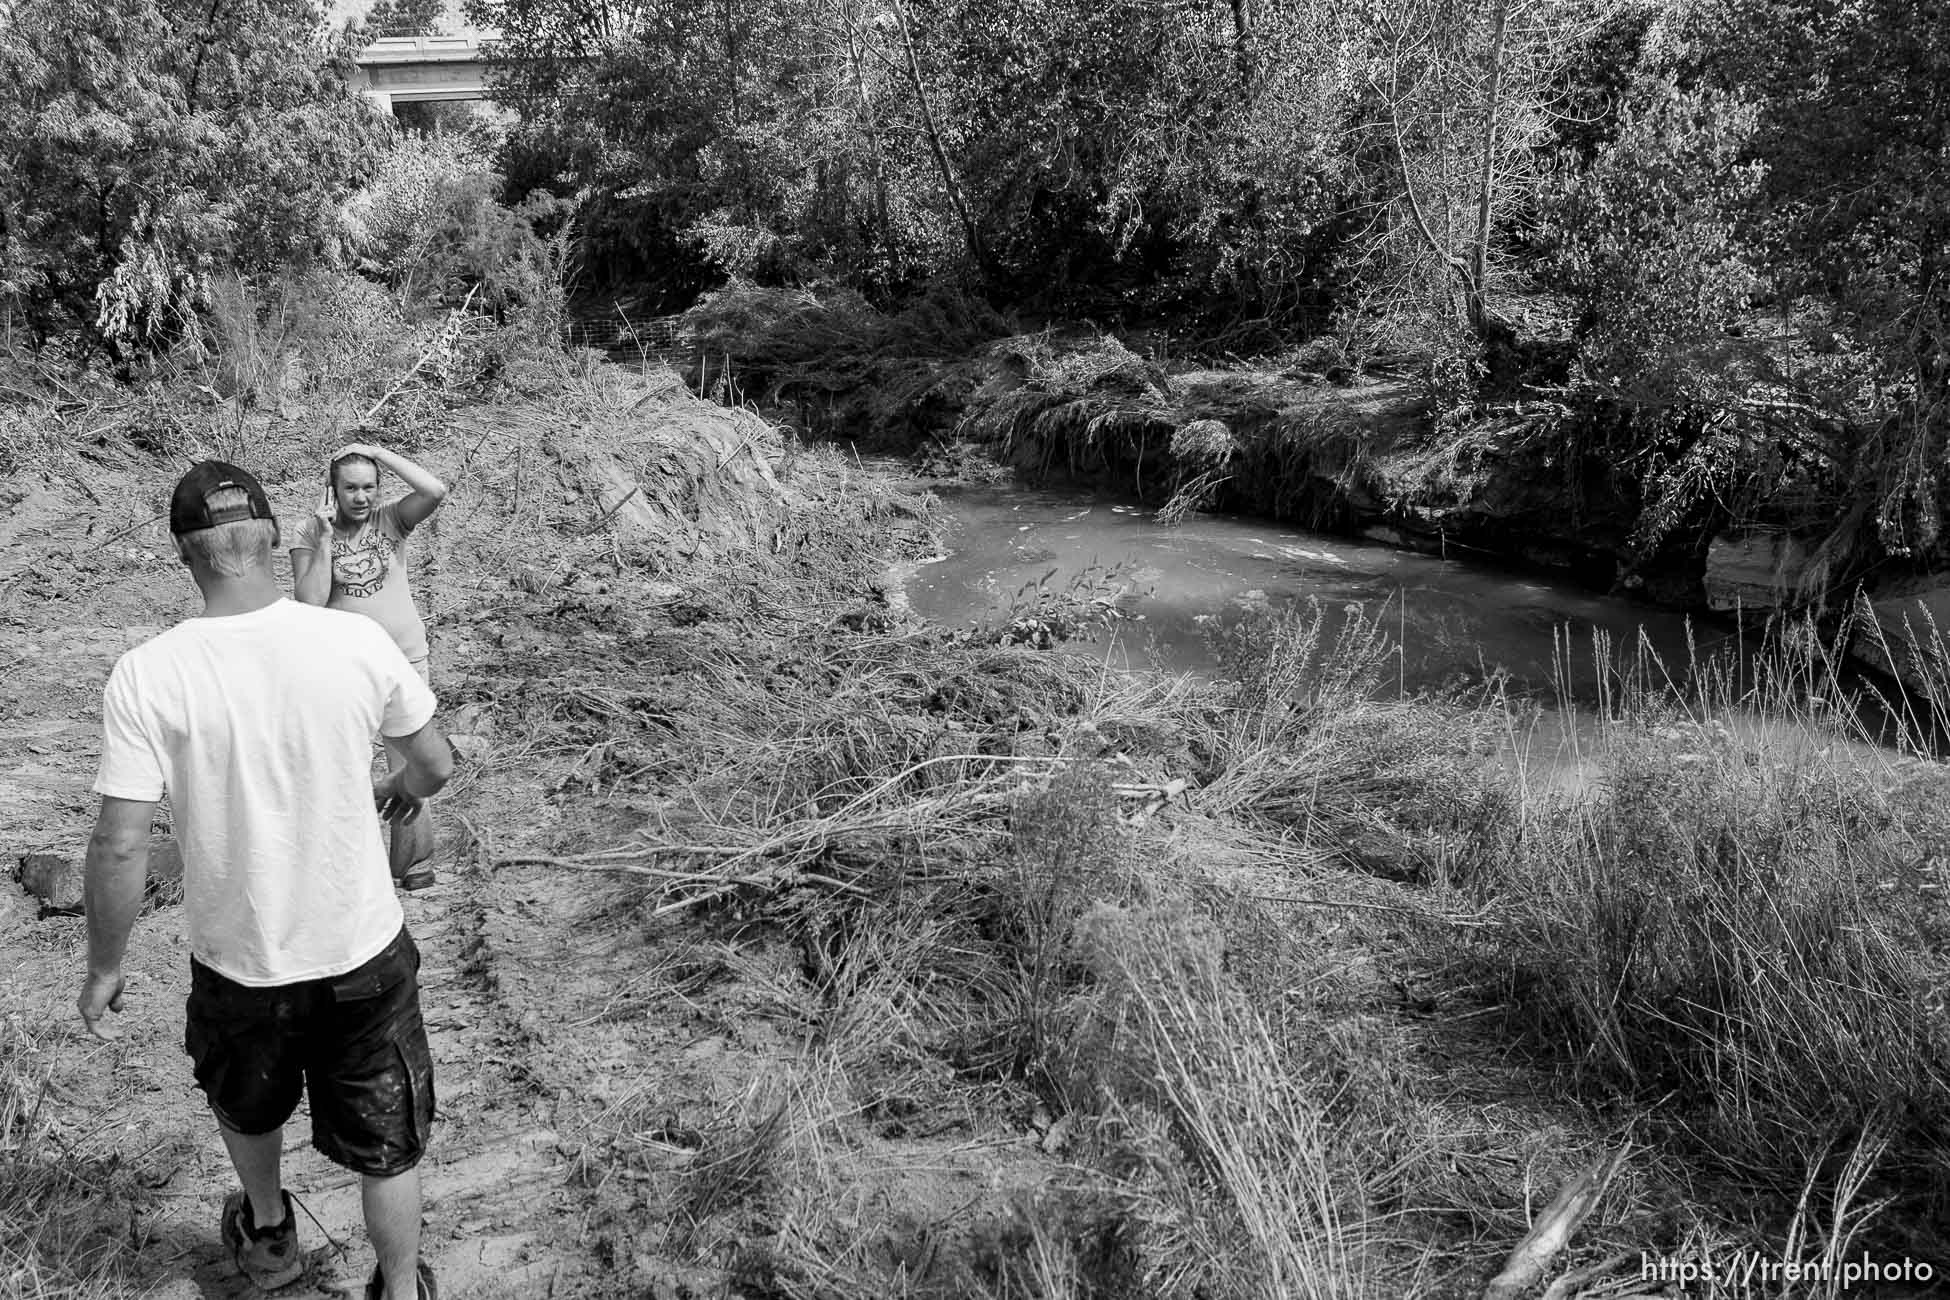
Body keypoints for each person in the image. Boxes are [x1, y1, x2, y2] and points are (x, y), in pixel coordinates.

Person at [78, 461, 454, 1300]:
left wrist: (105, 969)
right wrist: (399, 789)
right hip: (363, 950)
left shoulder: (147, 672)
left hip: (239, 960)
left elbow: (118, 846)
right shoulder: (352, 639)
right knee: (388, 1138)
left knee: (246, 1104)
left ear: (185, 554)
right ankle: (397, 1284)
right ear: (275, 539)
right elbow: (432, 763)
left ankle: (272, 1237)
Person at [291, 440, 449, 890]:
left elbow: (435, 490)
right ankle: (351, 870)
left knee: (409, 760)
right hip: (344, 668)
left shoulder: (392, 519)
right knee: (344, 763)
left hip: (405, 658)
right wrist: (324, 539)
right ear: (331, 491)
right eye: (350, 489)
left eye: (369, 488)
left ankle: (415, 864)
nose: (361, 498)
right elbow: (309, 600)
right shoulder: (308, 531)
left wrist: (378, 452)